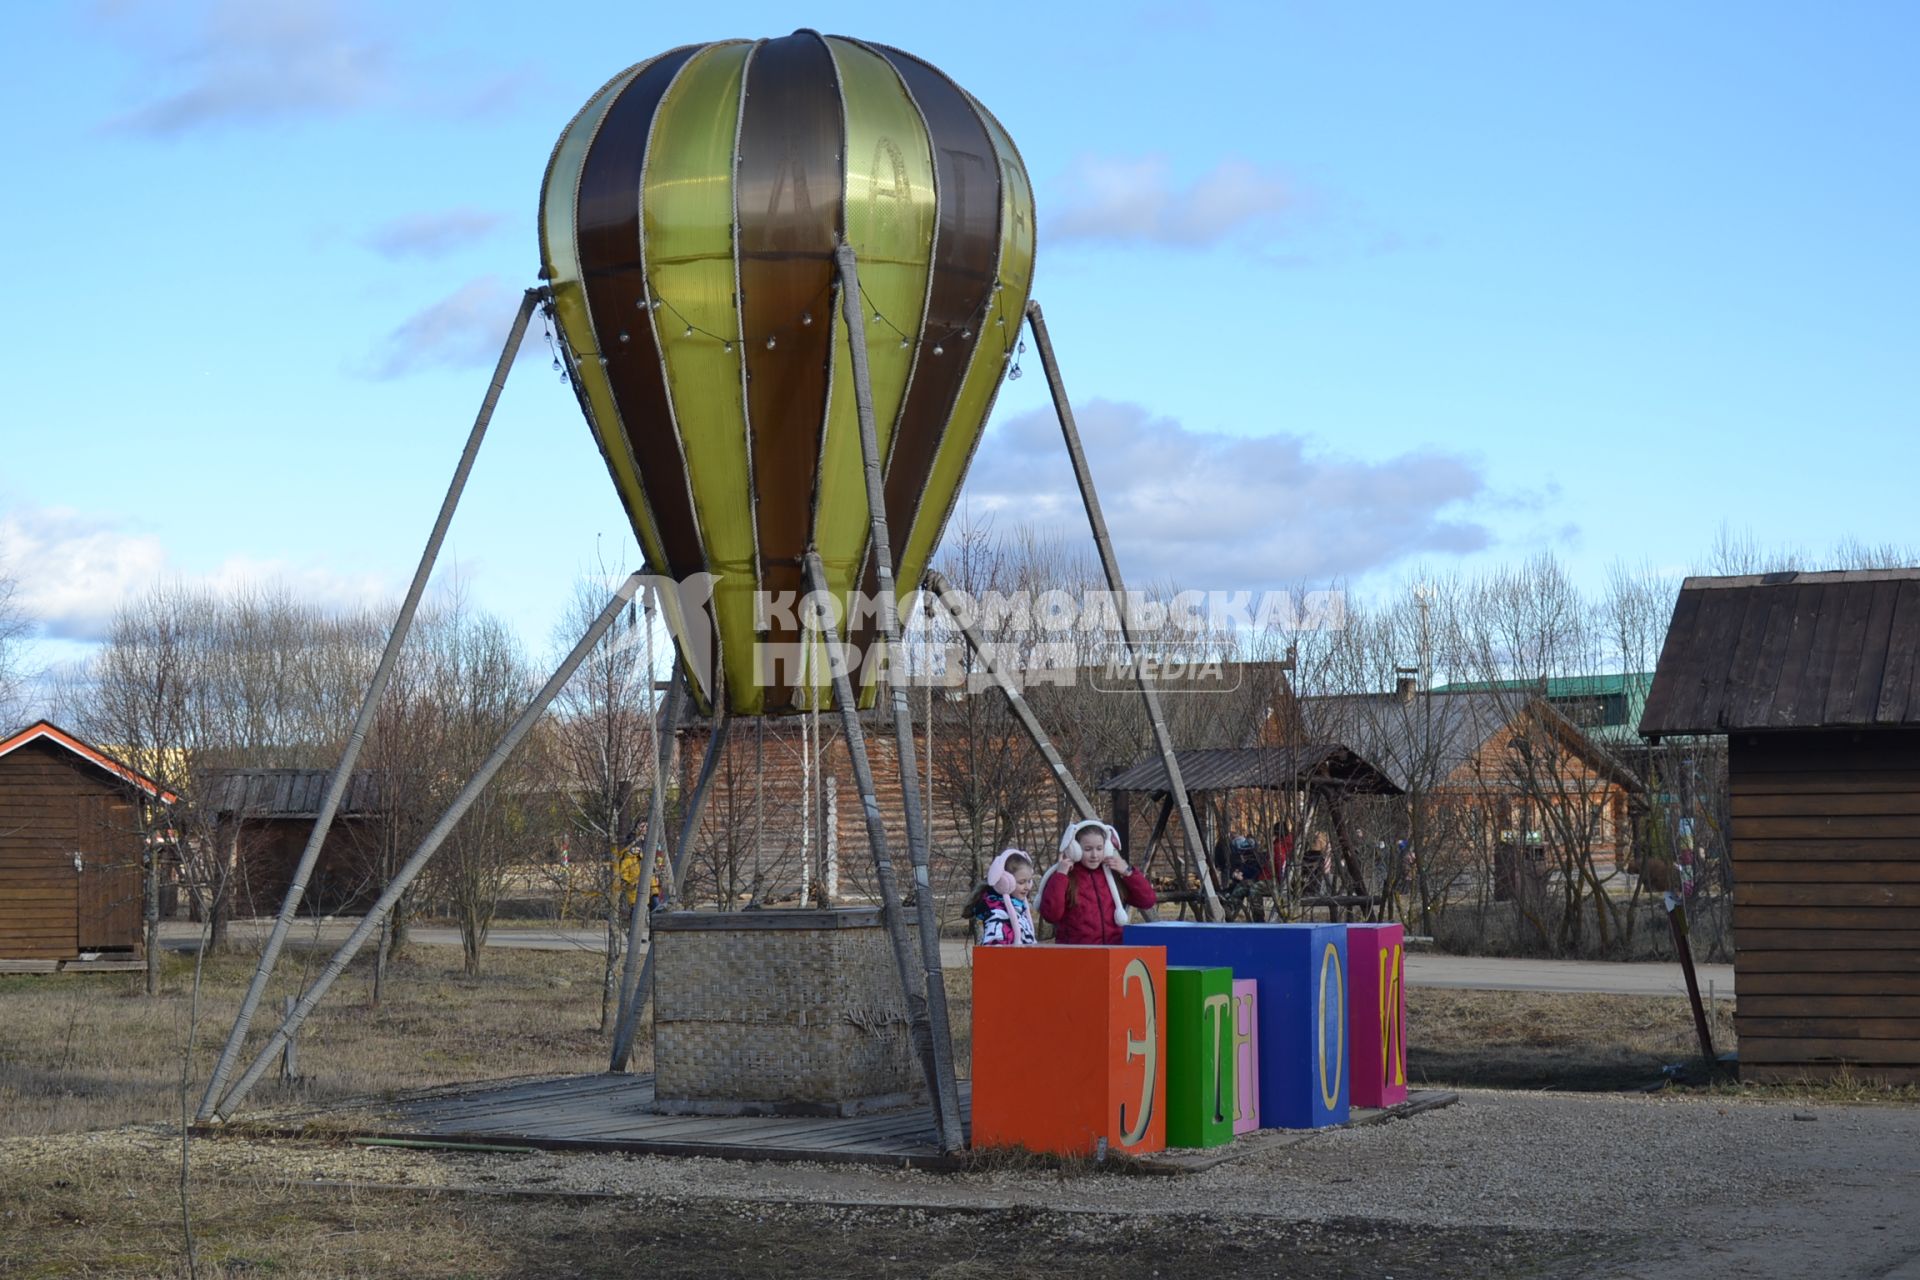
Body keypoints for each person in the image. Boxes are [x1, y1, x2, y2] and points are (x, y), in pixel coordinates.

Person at [1039, 818, 1156, 945]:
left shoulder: (1114, 874)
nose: (1094, 855)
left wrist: (1128, 872)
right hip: (1077, 955)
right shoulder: (1065, 877)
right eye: (1088, 849)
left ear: (1107, 848)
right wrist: (1060, 876)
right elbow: (1051, 915)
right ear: (1075, 849)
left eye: (1099, 848)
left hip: (1113, 952)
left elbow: (1147, 901)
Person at [966, 848, 1038, 946]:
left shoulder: (1019, 909)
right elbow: (995, 951)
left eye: (1029, 881)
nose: (1027, 887)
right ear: (1005, 882)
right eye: (1021, 882)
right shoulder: (996, 914)